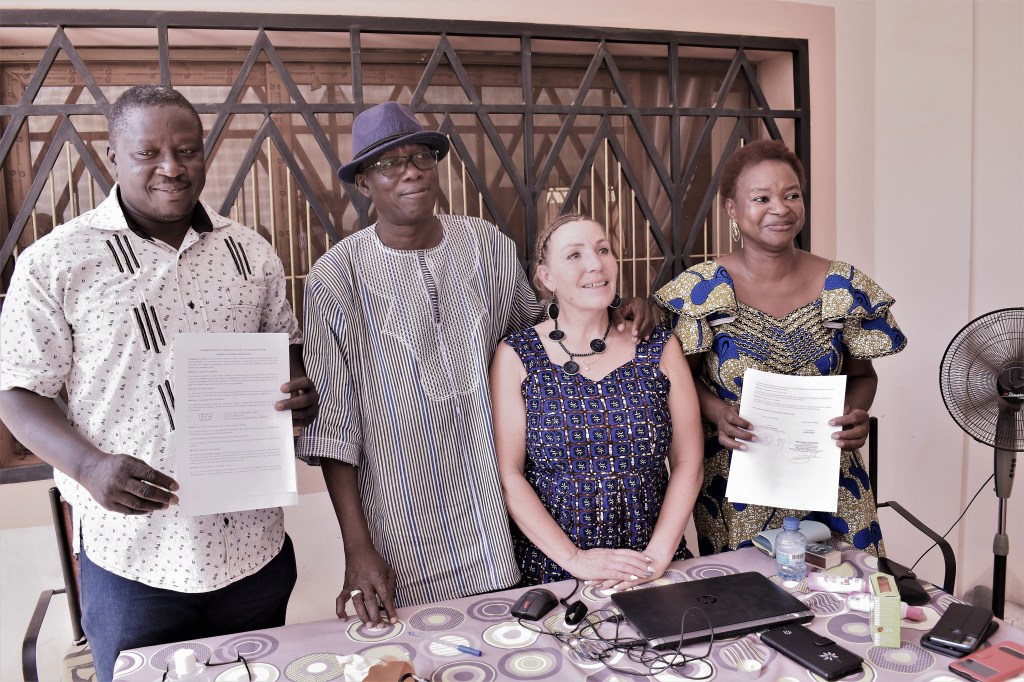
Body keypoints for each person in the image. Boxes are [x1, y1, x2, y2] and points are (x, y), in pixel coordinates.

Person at [0, 85, 318, 682]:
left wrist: (296, 392)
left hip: (255, 550)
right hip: (135, 561)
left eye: (187, 150)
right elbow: (17, 392)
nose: (171, 167)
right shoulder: (56, 261)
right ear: (113, 157)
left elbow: (283, 352)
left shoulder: (251, 252)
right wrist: (89, 466)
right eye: (148, 153)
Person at [297, 102, 654, 625]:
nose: (410, 172)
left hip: (493, 513)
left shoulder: (486, 246)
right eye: (389, 164)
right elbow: (333, 429)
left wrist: (616, 308)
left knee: (507, 644)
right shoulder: (335, 276)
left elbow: (543, 336)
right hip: (399, 518)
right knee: (417, 650)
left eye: (420, 157)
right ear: (364, 183)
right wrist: (358, 549)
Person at [653, 139, 907, 556]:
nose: (781, 208)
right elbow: (680, 382)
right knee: (749, 591)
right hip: (738, 483)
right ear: (732, 208)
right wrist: (719, 414)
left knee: (847, 583)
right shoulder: (704, 290)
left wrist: (856, 416)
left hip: (830, 479)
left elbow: (863, 375)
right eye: (762, 198)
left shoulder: (842, 286)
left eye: (792, 195)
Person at [490, 214, 704, 589]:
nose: (595, 263)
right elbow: (509, 476)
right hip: (553, 574)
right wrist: (576, 559)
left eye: (603, 250)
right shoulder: (517, 355)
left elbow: (689, 462)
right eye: (574, 255)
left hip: (651, 566)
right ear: (546, 277)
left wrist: (654, 559)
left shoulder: (658, 346)